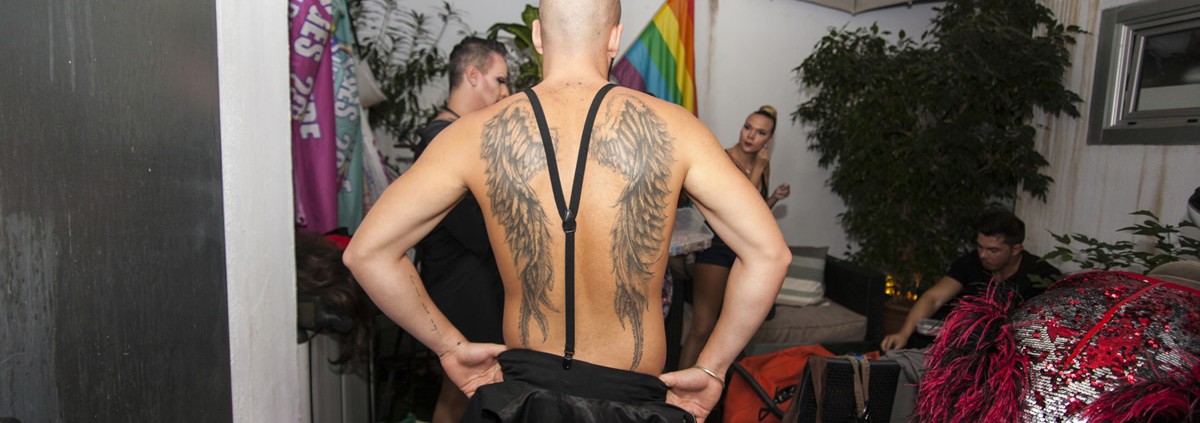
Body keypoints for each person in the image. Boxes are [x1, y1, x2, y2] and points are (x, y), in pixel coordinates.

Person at [343, 0, 791, 421]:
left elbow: (367, 253)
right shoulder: (678, 130)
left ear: (538, 35)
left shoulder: (472, 135)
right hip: (631, 397)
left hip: (522, 399)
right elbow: (769, 255)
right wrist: (712, 367)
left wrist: (449, 347)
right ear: (614, 38)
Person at [411, 36, 510, 423]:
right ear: (472, 75)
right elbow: (480, 230)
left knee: (466, 393)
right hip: (461, 286)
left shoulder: (457, 136)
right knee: (463, 393)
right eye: (499, 80)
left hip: (470, 281)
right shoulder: (440, 140)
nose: (505, 91)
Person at [679, 105, 790, 370]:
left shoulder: (763, 165)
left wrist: (773, 198)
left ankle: (718, 387)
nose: (750, 136)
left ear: (769, 139)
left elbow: (756, 214)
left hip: (745, 251)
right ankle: (674, 389)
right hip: (717, 246)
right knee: (703, 327)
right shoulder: (724, 158)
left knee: (731, 332)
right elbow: (735, 209)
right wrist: (758, 169)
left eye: (760, 132)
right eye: (747, 127)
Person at [880, 210, 1061, 351]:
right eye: (980, 247)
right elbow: (934, 297)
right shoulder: (972, 262)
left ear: (1016, 250)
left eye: (993, 250)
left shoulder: (1040, 277)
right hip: (956, 345)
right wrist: (903, 333)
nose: (983, 255)